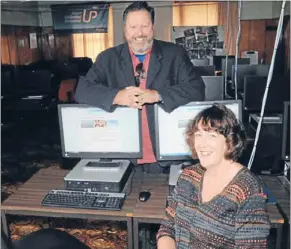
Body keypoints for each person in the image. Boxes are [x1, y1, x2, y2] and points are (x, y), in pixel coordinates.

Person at [75, 1, 205, 174]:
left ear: (153, 27)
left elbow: (197, 88)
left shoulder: (174, 54)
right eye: (133, 26)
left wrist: (158, 95)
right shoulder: (108, 58)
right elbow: (82, 90)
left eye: (145, 26)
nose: (139, 33)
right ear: (125, 29)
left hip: (164, 156)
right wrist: (116, 96)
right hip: (122, 155)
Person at [156, 103, 270, 249]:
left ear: (230, 142)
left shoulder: (247, 188)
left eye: (212, 136)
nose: (202, 144)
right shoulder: (188, 176)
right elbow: (168, 226)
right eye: (198, 135)